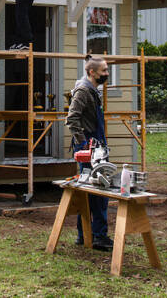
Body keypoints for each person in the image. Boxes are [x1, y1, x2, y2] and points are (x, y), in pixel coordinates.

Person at [65, 55, 113, 251]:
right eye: (104, 71)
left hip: (97, 144)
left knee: (91, 191)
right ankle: (97, 236)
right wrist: (83, 143)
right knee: (97, 191)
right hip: (89, 147)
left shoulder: (93, 90)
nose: (107, 74)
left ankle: (85, 234)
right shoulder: (84, 91)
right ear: (92, 72)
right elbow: (71, 118)